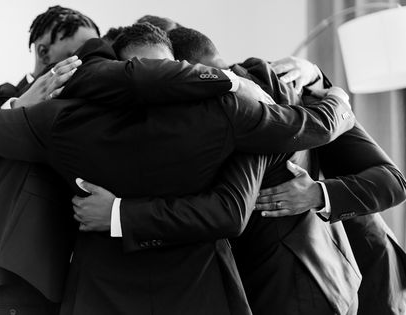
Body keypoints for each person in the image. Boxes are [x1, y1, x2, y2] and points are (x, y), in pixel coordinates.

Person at [0, 23, 354, 315]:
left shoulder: (63, 121)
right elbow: (316, 125)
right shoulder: (228, 111)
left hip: (99, 296)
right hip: (199, 295)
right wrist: (333, 93)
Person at [73, 26, 406, 315]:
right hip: (273, 284)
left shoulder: (273, 93)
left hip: (317, 283)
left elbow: (391, 181)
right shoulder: (196, 118)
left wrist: (317, 193)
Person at [0, 6, 101, 315]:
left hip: (57, 284)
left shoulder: (92, 104)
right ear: (44, 51)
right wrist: (19, 105)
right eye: (78, 54)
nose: (89, 63)